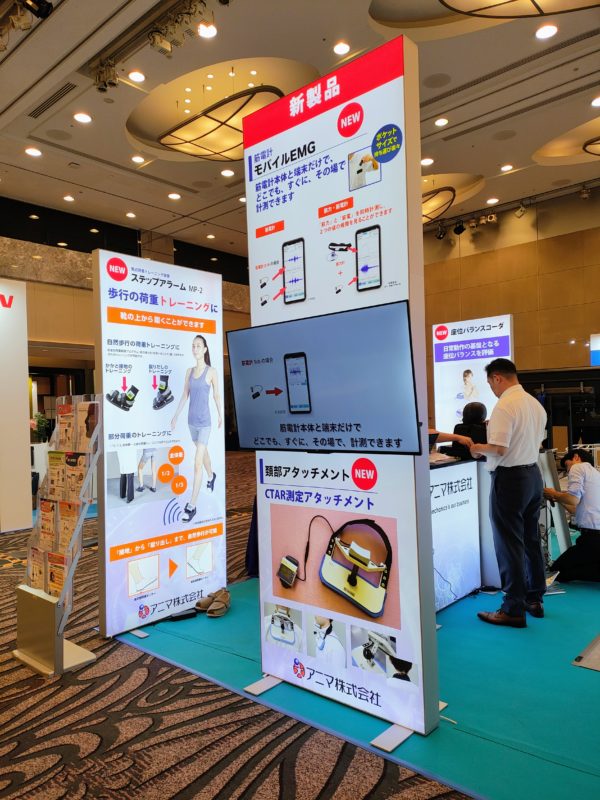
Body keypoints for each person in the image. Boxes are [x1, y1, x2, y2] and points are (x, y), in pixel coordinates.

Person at [470, 358, 547, 627]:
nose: (492, 389)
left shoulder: (505, 405)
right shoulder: (535, 404)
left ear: (497, 378)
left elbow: (499, 449)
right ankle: (534, 599)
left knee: (509, 545)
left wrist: (477, 448)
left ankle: (513, 608)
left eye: (490, 383)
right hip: (532, 475)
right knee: (530, 539)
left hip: (510, 479)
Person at [171, 335, 222, 523]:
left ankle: (191, 506)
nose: (195, 349)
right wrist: (176, 415)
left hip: (204, 423)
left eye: (198, 346)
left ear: (205, 349)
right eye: (193, 346)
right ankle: (211, 475)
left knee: (197, 462)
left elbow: (216, 395)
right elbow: (185, 394)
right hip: (191, 422)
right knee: (204, 452)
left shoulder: (212, 372)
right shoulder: (189, 371)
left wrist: (220, 414)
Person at [543, 449, 600, 582]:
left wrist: (553, 493)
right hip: (594, 538)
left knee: (557, 571)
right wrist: (557, 498)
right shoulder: (596, 475)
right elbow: (576, 509)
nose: (568, 471)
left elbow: (573, 499)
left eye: (567, 466)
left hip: (592, 539)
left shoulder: (578, 467)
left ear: (576, 457)